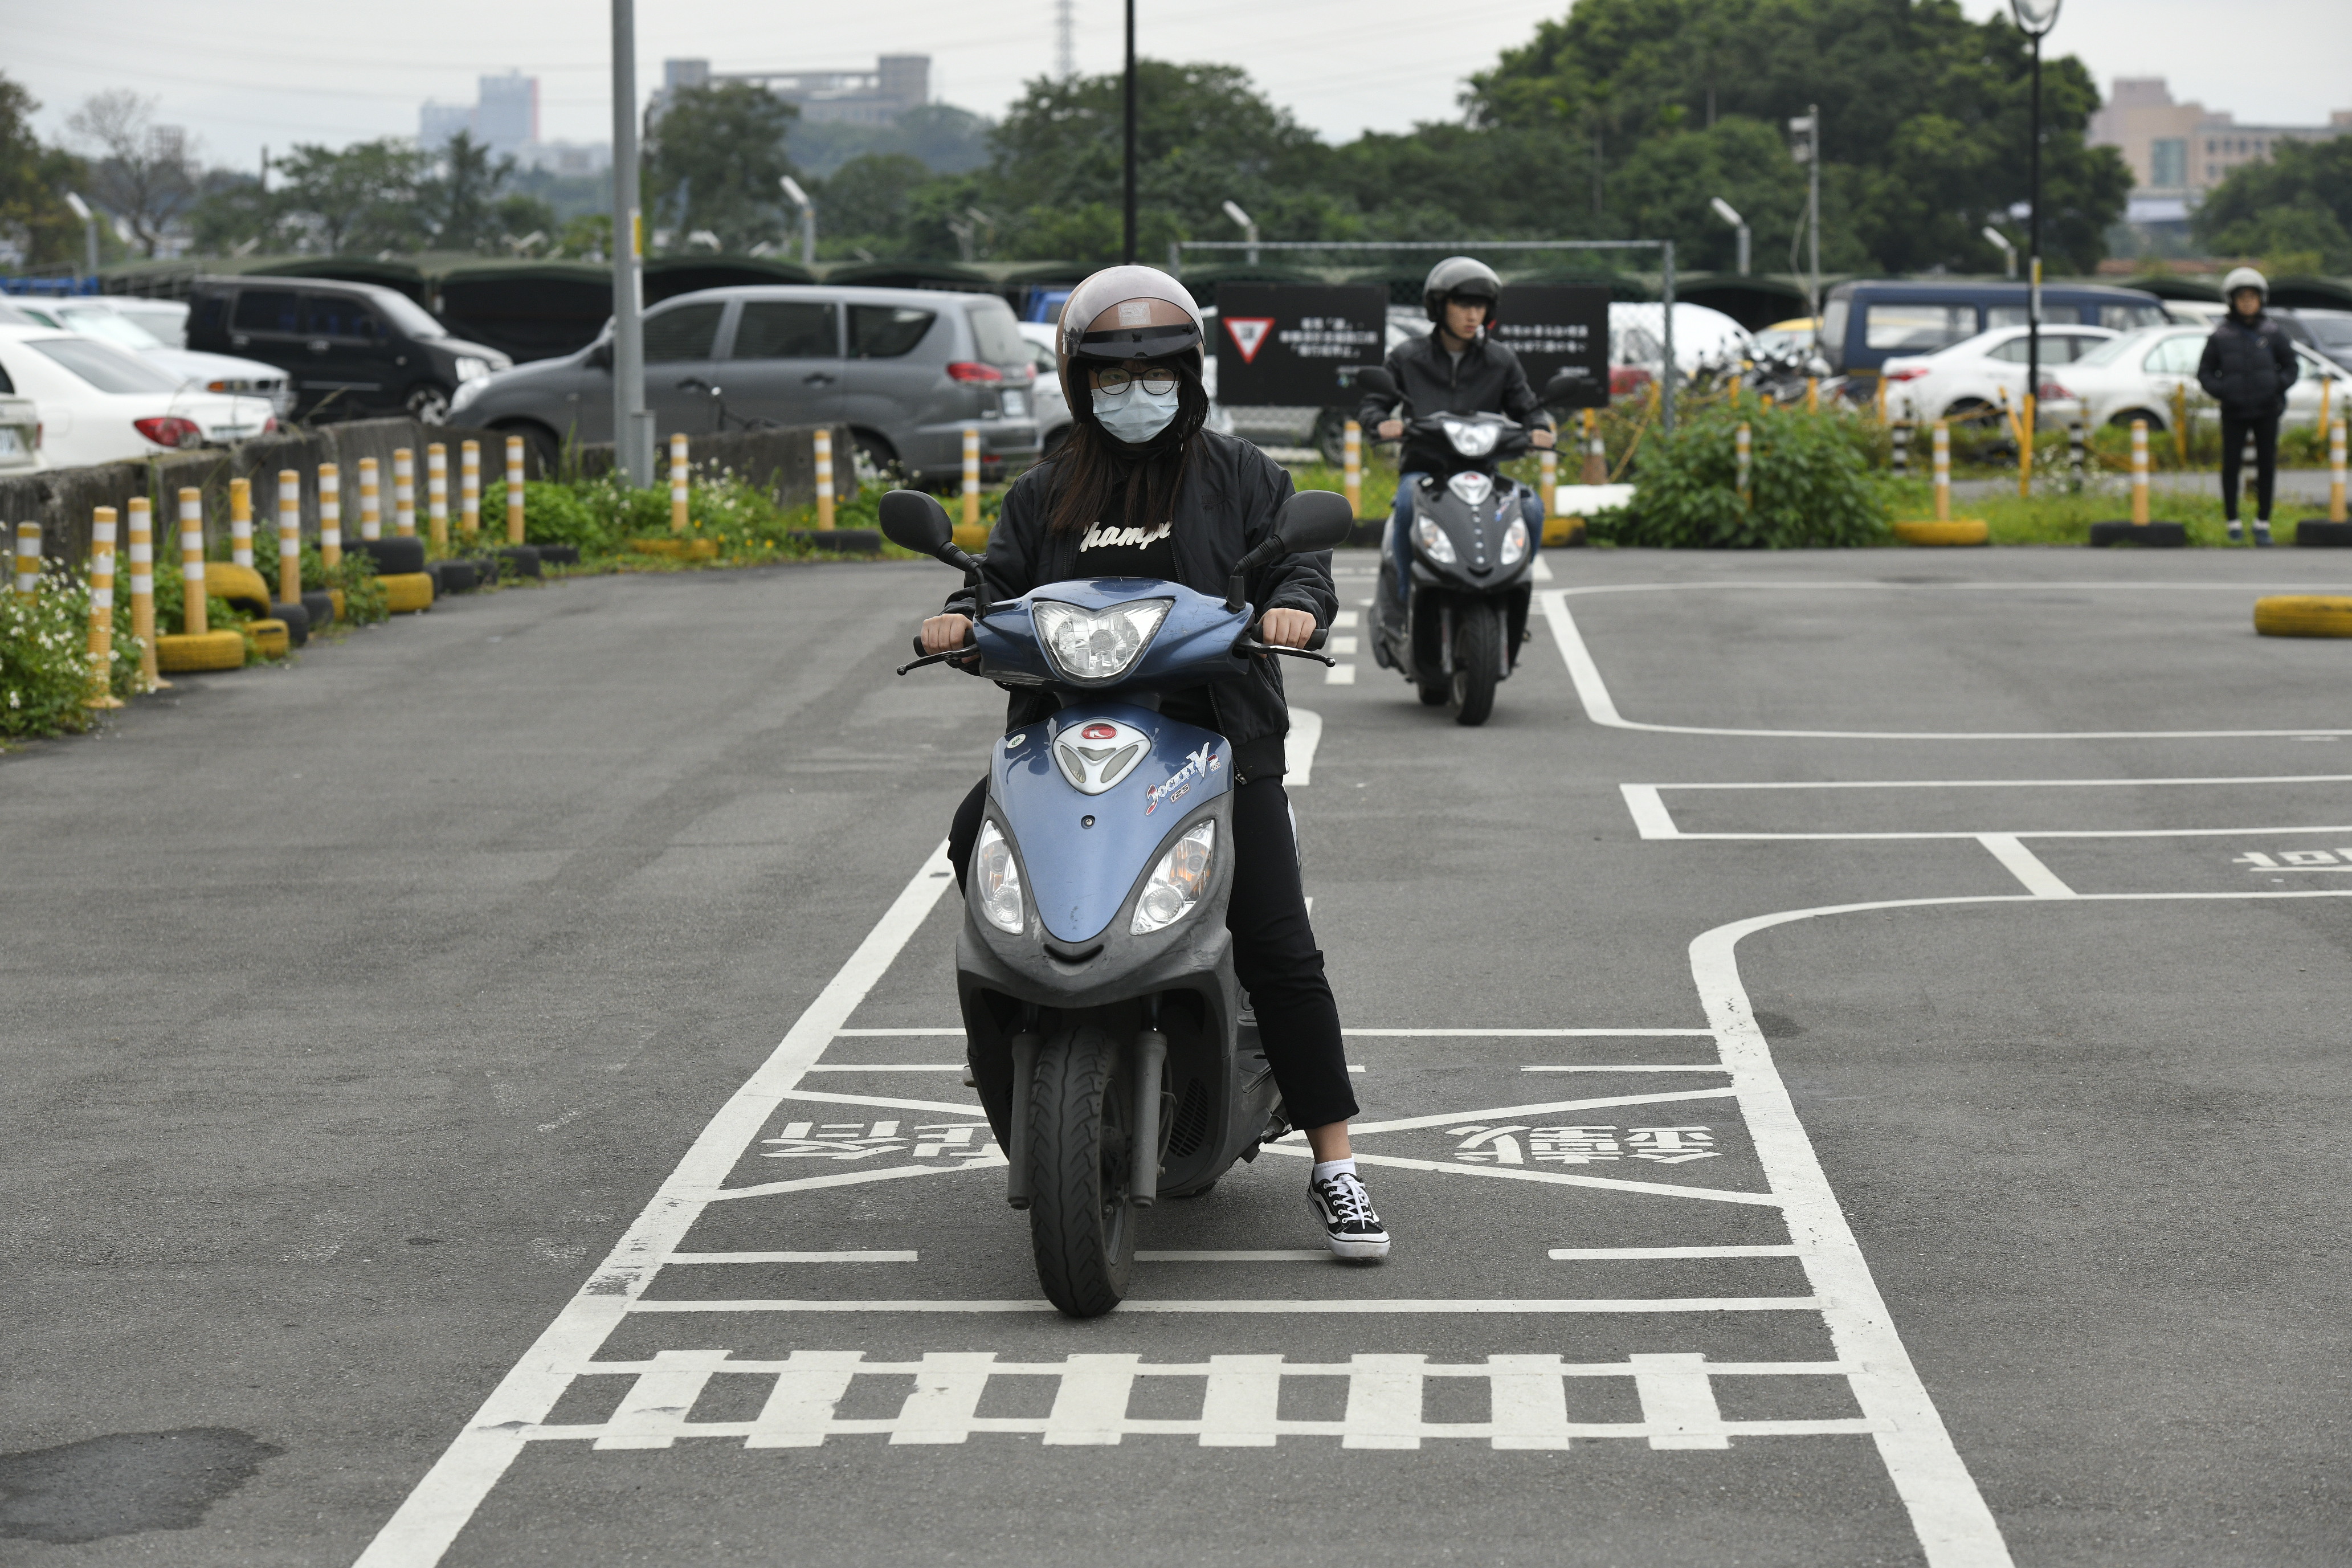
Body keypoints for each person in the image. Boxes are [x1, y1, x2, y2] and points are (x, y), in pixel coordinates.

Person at [916, 264, 1389, 1261]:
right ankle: (1011, 1030)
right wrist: (959, 619)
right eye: (1113, 375)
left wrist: (1293, 603)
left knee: (1277, 939)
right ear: (1079, 384)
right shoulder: (1047, 489)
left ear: (1190, 374)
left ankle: (1335, 1165)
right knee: (973, 845)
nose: (1137, 391)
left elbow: (1296, 559)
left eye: (1159, 370)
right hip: (1061, 738)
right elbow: (995, 584)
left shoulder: (1241, 476)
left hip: (1213, 735)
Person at [1358, 256, 1555, 636]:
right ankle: (1402, 605)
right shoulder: (1408, 357)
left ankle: (1514, 602)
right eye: (1463, 304)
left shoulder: (1501, 360)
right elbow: (1372, 402)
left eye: (1479, 306)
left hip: (1485, 473)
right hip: (1425, 471)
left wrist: (1539, 428)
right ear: (1439, 307)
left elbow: (1527, 406)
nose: (1472, 315)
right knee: (1405, 503)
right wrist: (1381, 422)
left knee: (1531, 508)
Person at [2198, 266, 2300, 545]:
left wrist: (2276, 387)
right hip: (2234, 411)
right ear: (2231, 301)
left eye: (2252, 297)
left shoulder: (2273, 333)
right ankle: (2232, 521)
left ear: (2261, 300)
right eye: (2241, 297)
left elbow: (2291, 366)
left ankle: (2262, 522)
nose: (2247, 302)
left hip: (2267, 410)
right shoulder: (2220, 336)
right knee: (2231, 465)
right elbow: (2205, 372)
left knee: (2267, 466)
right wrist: (2224, 392)